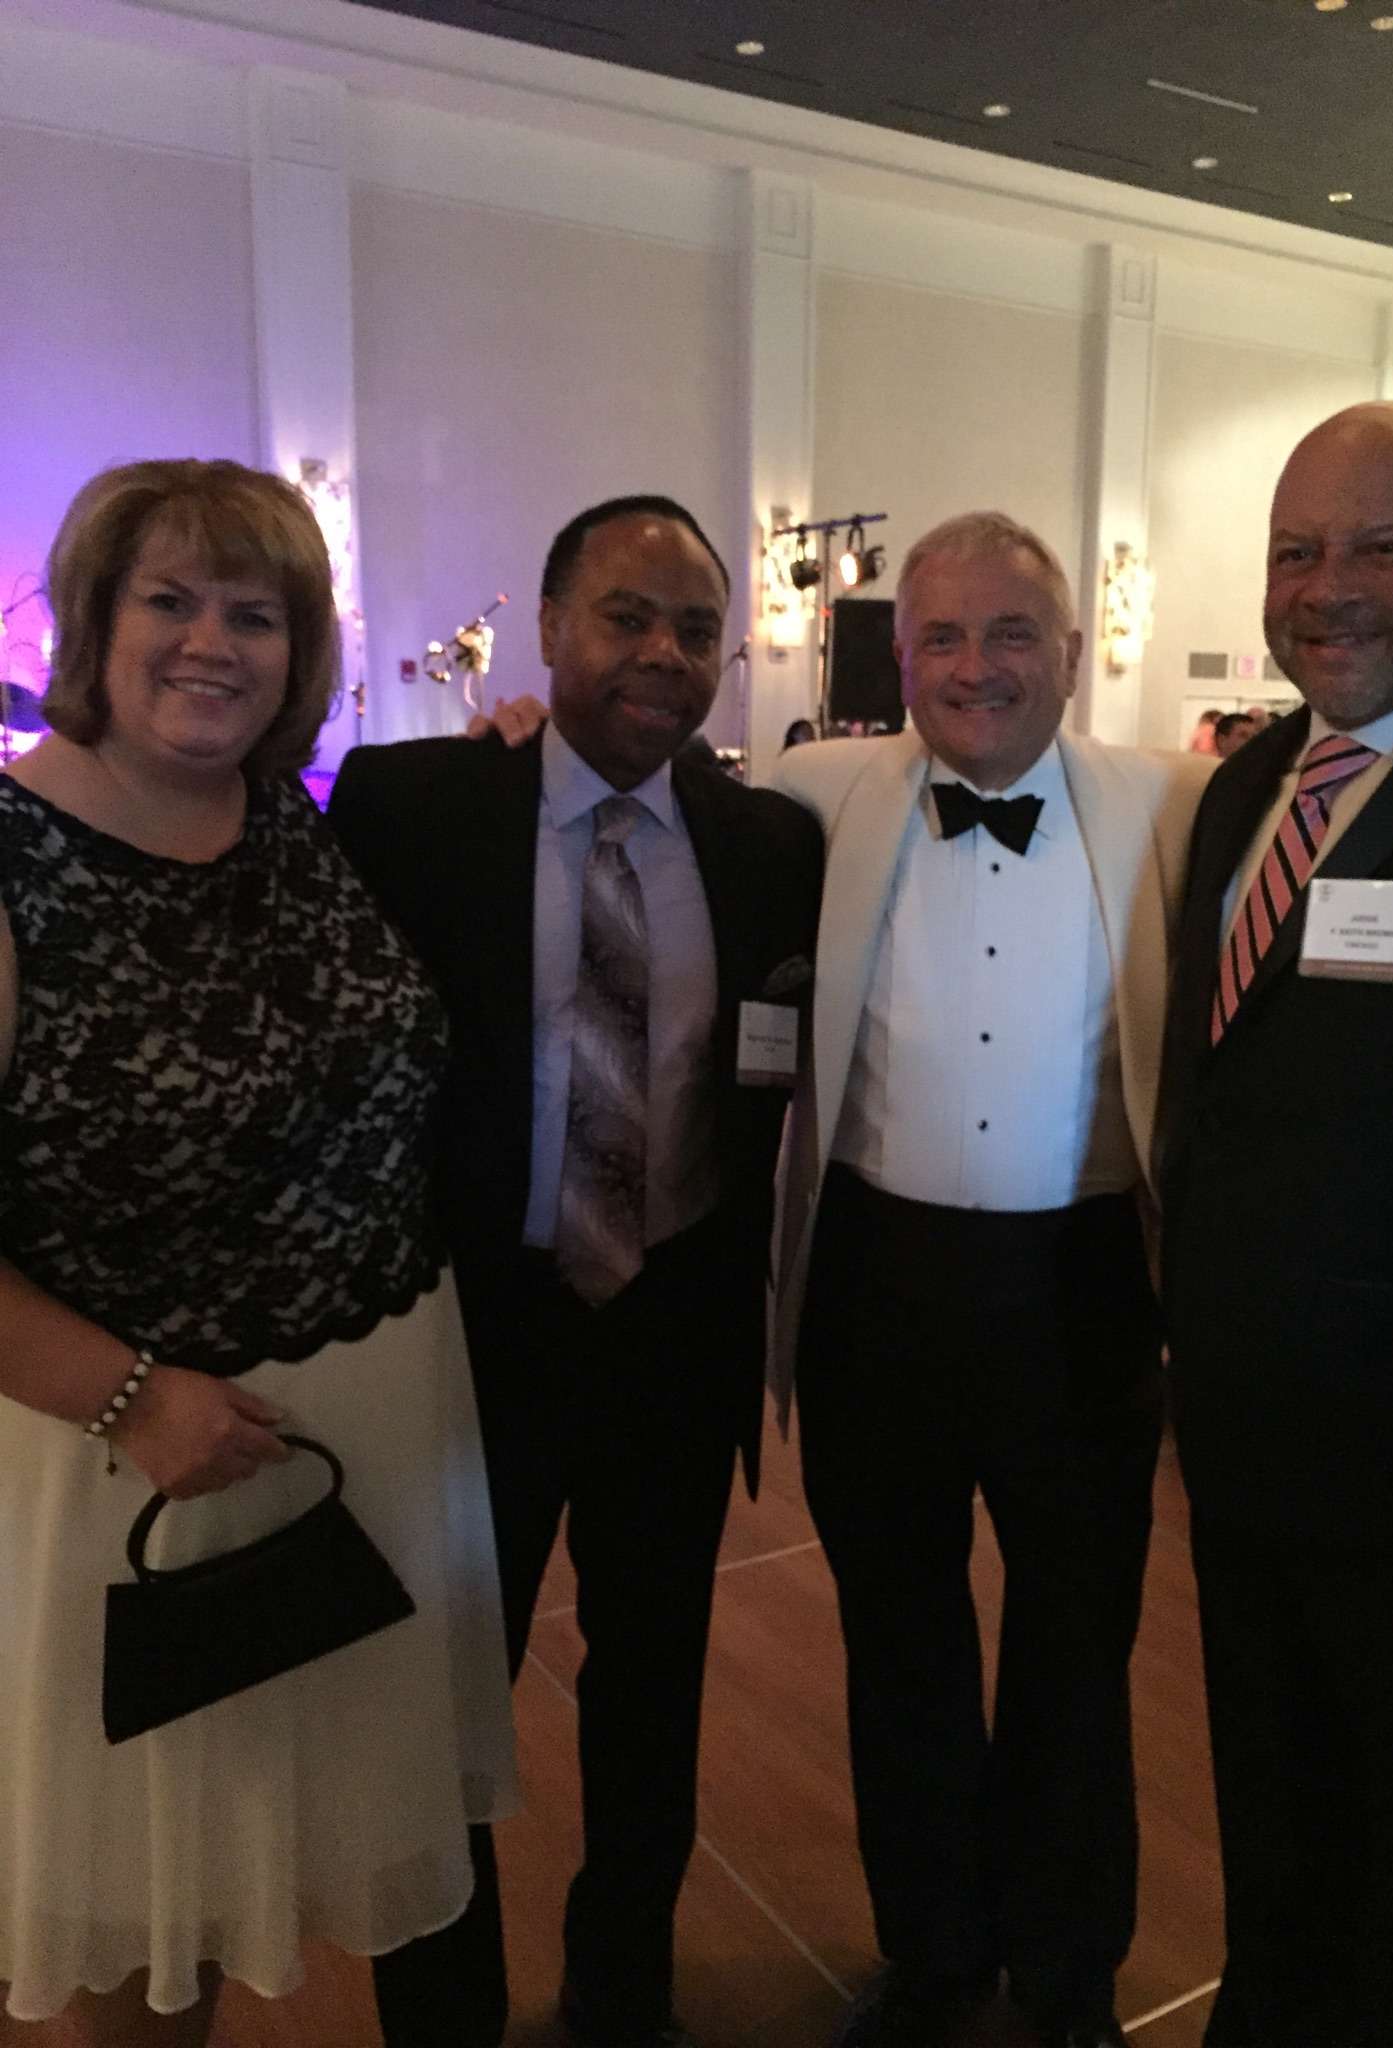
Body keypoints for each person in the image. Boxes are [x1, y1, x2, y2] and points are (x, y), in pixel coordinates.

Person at [0, 459, 517, 2045]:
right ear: (93, 617)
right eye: (171, 600)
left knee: (250, 1856)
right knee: (144, 1894)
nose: (211, 644)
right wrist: (133, 1398)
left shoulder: (287, 819)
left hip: (363, 1426)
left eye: (256, 613)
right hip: (132, 1448)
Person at [328, 495, 823, 2048]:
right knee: (439, 1695)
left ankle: (624, 1989)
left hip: (672, 1324)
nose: (663, 652)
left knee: (653, 1688)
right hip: (470, 1326)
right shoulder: (409, 807)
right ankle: (444, 2017)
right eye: (626, 616)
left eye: (695, 628)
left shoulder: (770, 844)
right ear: (546, 628)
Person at [771, 512, 1211, 2048]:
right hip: (873, 1282)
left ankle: (1071, 1969)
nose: (977, 668)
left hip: (1081, 1284)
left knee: (1078, 1649)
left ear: (1072, 652)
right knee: (899, 1643)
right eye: (944, 638)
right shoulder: (815, 794)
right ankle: (936, 1956)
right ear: (899, 661)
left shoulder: (1177, 803)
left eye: (1011, 633)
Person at [1157, 402, 1393, 2048]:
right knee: (1284, 1849)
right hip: (1253, 1469)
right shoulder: (1251, 787)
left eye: (1383, 547)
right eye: (1297, 551)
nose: (1330, 590)